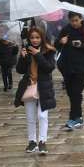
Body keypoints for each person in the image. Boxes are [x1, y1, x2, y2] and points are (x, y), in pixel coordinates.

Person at [13, 26, 56, 155]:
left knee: (42, 116)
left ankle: (42, 142)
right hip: (29, 87)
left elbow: (49, 68)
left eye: (37, 37)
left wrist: (38, 55)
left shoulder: (49, 51)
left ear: (42, 38)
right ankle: (32, 142)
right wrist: (22, 57)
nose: (35, 40)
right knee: (30, 117)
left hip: (44, 87)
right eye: (32, 37)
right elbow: (20, 70)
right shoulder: (26, 50)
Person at [56, 12, 84, 131]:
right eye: (72, 21)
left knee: (76, 92)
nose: (74, 23)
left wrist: (82, 45)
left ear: (81, 19)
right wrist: (60, 42)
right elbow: (56, 45)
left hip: (82, 67)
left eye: (76, 20)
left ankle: (74, 118)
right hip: (67, 67)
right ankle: (77, 118)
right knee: (70, 92)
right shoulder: (66, 30)